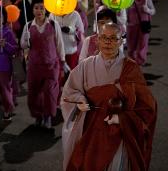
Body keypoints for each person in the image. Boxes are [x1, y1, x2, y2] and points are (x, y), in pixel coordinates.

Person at [61, 23, 157, 171]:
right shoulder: (85, 65)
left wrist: (123, 119)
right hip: (92, 127)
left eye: (113, 38)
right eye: (104, 37)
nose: (108, 42)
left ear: (121, 41)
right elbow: (70, 91)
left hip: (119, 129)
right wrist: (80, 100)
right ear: (97, 40)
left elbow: (147, 105)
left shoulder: (130, 68)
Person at [20, 0, 65, 128]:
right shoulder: (28, 26)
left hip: (51, 65)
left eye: (41, 8)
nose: (39, 10)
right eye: (36, 8)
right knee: (34, 93)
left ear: (46, 10)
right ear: (32, 10)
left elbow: (59, 43)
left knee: (50, 93)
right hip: (34, 66)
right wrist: (25, 41)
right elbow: (22, 45)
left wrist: (63, 61)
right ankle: (38, 116)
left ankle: (48, 116)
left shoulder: (53, 24)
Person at [127, 0, 156, 66]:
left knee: (143, 44)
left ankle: (140, 61)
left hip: (143, 25)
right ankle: (131, 59)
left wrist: (148, 10)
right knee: (131, 45)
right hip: (132, 25)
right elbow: (125, 11)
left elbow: (153, 11)